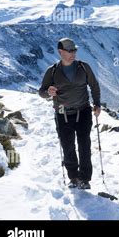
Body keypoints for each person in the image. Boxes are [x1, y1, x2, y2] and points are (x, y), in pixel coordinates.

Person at [38, 38, 101, 189]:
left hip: (83, 111)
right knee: (68, 146)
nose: (73, 53)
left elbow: (94, 85)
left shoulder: (83, 67)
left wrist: (97, 104)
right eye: (70, 51)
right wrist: (48, 92)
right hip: (62, 113)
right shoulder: (52, 71)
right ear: (61, 52)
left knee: (84, 144)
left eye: (75, 50)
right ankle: (73, 177)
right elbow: (41, 92)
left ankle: (85, 178)